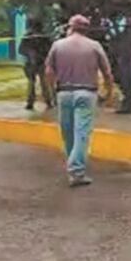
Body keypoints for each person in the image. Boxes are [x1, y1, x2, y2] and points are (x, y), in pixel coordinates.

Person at [45, 15, 114, 187]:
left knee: (67, 133)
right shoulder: (94, 46)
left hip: (64, 93)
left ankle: (74, 167)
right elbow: (107, 72)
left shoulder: (58, 45)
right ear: (86, 29)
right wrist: (108, 91)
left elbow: (48, 71)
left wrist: (52, 89)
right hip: (87, 92)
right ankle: (76, 170)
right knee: (81, 133)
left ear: (70, 28)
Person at [19, 18, 53, 111]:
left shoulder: (32, 36)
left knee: (36, 83)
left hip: (36, 63)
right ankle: (46, 102)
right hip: (33, 63)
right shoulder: (42, 36)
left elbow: (21, 50)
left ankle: (37, 102)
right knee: (40, 83)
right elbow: (22, 49)